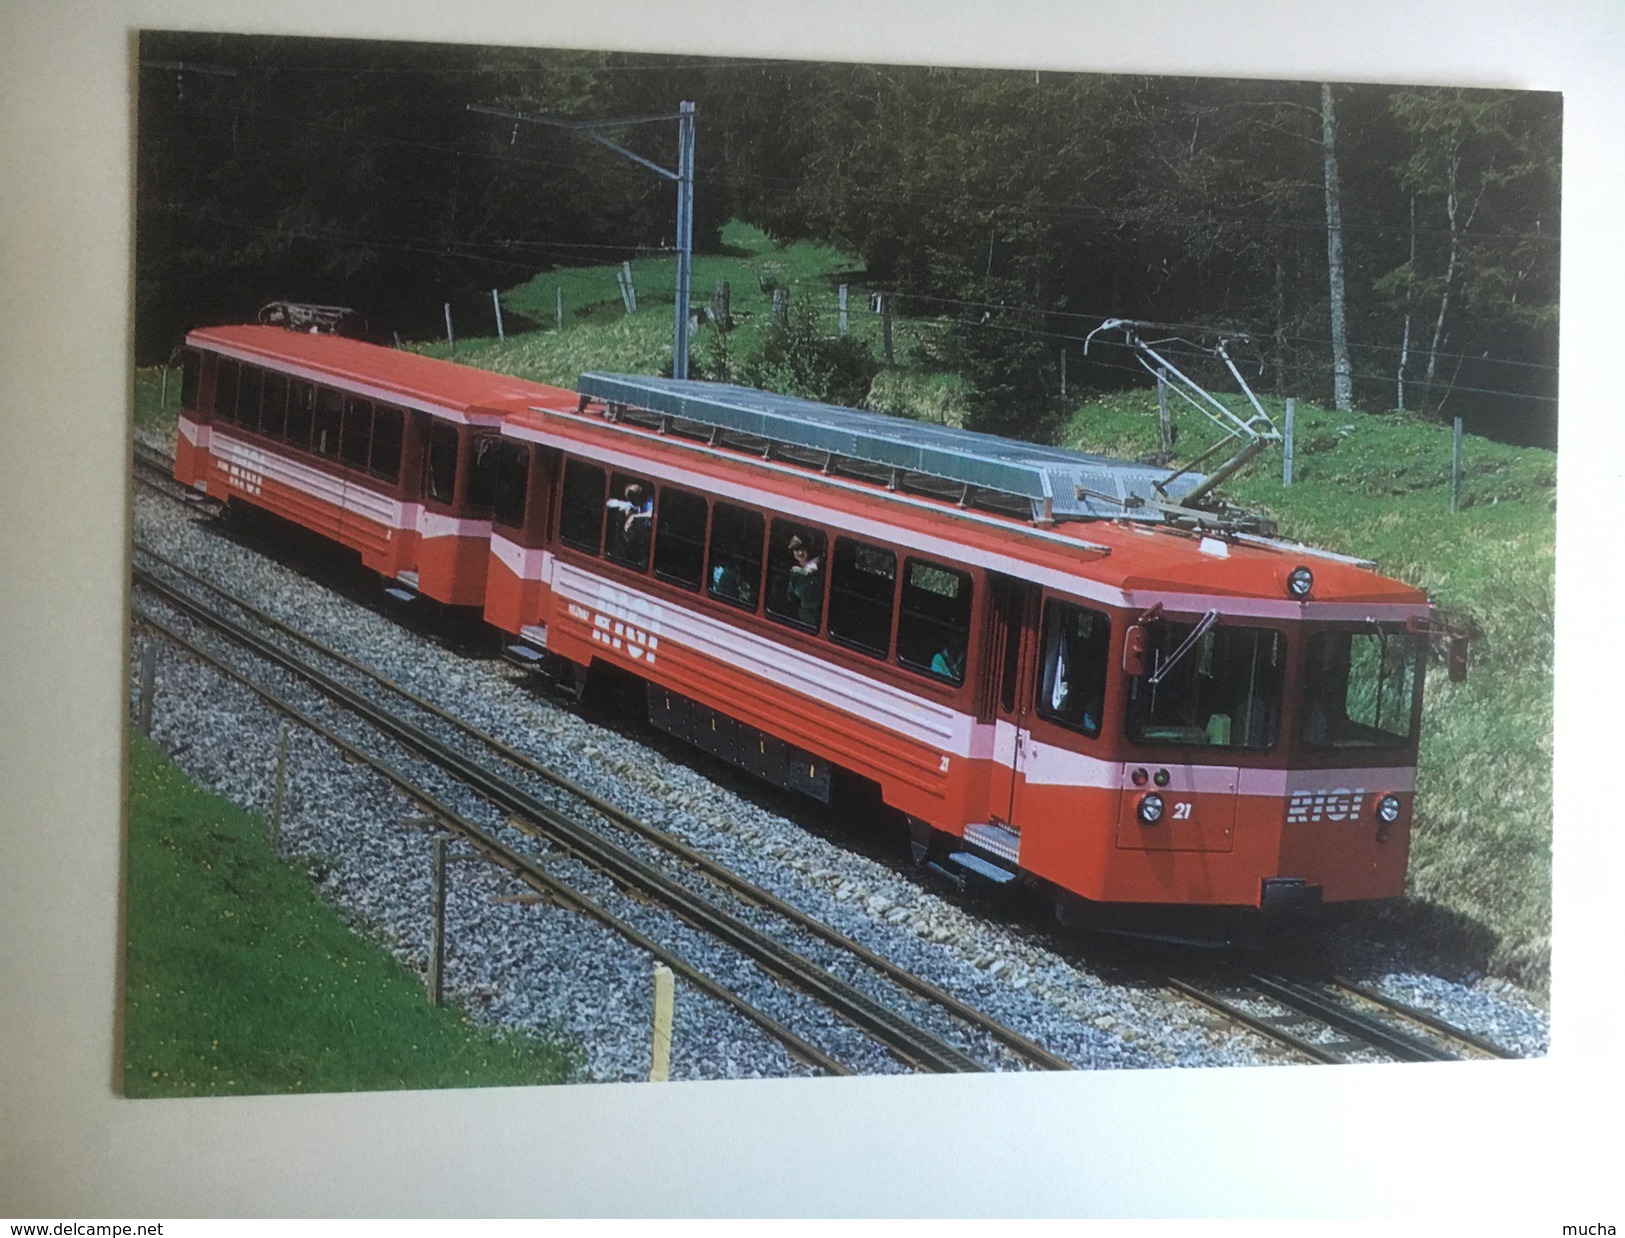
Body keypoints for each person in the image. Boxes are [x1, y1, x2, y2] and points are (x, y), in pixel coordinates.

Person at [785, 534, 823, 626]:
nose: (800, 553)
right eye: (797, 549)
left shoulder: (816, 562)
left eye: (803, 549)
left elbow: (808, 571)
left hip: (816, 611)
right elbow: (791, 595)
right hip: (802, 611)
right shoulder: (794, 572)